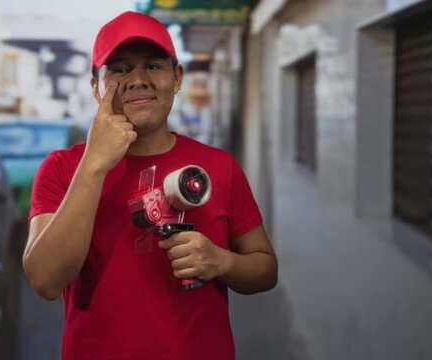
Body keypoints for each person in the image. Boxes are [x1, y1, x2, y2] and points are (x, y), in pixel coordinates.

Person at [22, 11, 278, 360]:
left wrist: (221, 262)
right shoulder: (63, 168)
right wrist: (95, 164)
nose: (138, 79)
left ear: (177, 77)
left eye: (153, 65)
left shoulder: (220, 166)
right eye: (120, 69)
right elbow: (45, 280)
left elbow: (265, 269)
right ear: (97, 87)